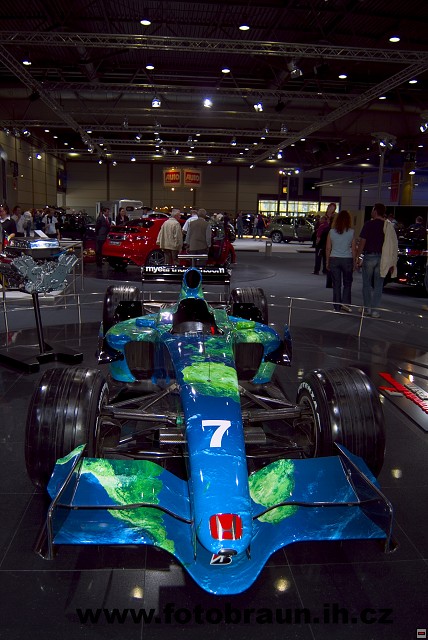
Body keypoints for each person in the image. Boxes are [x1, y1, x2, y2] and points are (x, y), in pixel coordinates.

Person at [357, 202, 398, 318]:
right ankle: (375, 311)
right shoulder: (388, 226)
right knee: (378, 285)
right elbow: (393, 244)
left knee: (366, 284)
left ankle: (367, 308)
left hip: (369, 256)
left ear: (375, 211)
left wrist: (358, 256)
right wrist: (392, 262)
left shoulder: (368, 224)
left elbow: (362, 241)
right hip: (382, 258)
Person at [325, 210, 357, 312]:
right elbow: (353, 249)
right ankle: (346, 304)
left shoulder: (331, 232)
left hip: (334, 259)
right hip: (347, 259)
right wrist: (354, 261)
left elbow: (328, 248)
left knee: (336, 284)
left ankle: (337, 306)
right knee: (347, 283)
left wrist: (327, 261)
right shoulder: (351, 232)